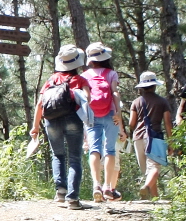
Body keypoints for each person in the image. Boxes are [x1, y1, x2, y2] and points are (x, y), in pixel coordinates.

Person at [29, 45, 91, 209]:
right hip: (72, 119)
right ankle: (73, 198)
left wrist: (35, 127)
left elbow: (40, 104)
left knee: (58, 155)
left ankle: (60, 192)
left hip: (51, 120)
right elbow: (87, 98)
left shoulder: (51, 80)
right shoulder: (80, 80)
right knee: (75, 158)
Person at [80, 42, 126, 202]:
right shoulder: (111, 73)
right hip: (110, 113)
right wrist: (118, 114)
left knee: (95, 149)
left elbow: (85, 98)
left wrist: (86, 116)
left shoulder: (85, 76)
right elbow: (115, 92)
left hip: (92, 114)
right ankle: (108, 187)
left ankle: (96, 185)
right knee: (110, 150)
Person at [128, 69, 175, 199]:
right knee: (154, 168)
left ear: (142, 87)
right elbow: (167, 123)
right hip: (155, 137)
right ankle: (147, 187)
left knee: (147, 171)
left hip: (138, 138)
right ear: (154, 85)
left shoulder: (136, 102)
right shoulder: (162, 102)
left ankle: (154, 199)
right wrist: (171, 141)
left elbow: (132, 123)